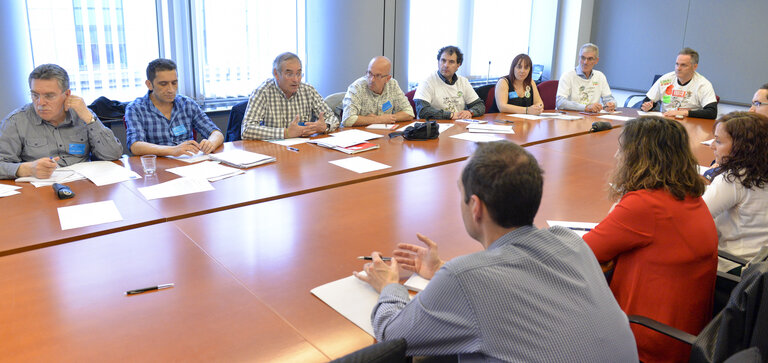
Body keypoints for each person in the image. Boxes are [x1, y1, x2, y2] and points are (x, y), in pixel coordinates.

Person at [355, 141, 638, 361]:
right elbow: (519, 285)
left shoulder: (464, 278)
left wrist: (390, 287)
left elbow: (393, 336)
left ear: (476, 207)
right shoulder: (571, 242)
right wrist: (440, 268)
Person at [582, 116, 718, 362]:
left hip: (647, 343)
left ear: (638, 156)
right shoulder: (687, 193)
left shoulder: (646, 205)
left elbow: (583, 252)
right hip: (685, 335)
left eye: (621, 150)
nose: (616, 157)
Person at [0, 64, 122, 179]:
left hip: (83, 186)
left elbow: (112, 154)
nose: (40, 102)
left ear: (67, 94)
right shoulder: (16, 122)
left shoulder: (83, 114)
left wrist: (89, 119)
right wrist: (26, 169)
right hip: (40, 191)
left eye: (49, 96)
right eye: (35, 95)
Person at [703, 112, 768, 273]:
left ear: (741, 147)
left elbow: (695, 219)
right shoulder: (759, 171)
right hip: (759, 267)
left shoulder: (733, 179)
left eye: (718, 141)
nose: (712, 146)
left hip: (733, 267)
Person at [125, 58, 224, 156]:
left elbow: (216, 133)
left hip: (189, 161)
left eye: (174, 83)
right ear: (149, 84)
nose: (171, 89)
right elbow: (135, 146)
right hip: (158, 165)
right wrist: (173, 150)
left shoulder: (187, 104)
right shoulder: (135, 108)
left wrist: (211, 143)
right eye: (163, 84)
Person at [241, 52, 339, 140]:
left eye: (299, 73)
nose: (296, 80)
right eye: (289, 74)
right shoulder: (262, 92)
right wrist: (286, 133)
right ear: (276, 73)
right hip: (274, 151)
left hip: (303, 150)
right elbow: (247, 129)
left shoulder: (308, 90)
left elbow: (332, 118)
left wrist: (325, 126)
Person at [641, 48, 718, 119]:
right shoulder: (665, 79)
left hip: (689, 121)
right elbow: (647, 101)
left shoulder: (703, 84)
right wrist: (647, 106)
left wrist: (683, 113)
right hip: (665, 121)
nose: (678, 68)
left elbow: (712, 112)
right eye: (677, 64)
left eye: (683, 65)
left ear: (695, 67)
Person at [413, 46, 485, 120]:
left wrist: (470, 112)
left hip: (458, 125)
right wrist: (450, 115)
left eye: (451, 62)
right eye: (443, 60)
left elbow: (480, 105)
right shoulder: (427, 82)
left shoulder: (463, 82)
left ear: (458, 65)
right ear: (438, 62)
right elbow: (423, 110)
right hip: (434, 127)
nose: (446, 65)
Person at [341, 56, 414, 127]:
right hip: (359, 136)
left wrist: (388, 118)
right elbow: (347, 119)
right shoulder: (357, 87)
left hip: (383, 135)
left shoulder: (392, 85)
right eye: (369, 73)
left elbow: (409, 113)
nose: (372, 80)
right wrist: (378, 119)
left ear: (387, 79)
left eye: (378, 75)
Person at [556, 43, 616, 112]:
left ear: (596, 60)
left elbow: (609, 99)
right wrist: (585, 107)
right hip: (571, 117)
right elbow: (560, 102)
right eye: (583, 58)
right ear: (579, 58)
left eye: (590, 59)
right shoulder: (568, 75)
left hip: (593, 117)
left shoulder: (600, 76)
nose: (585, 62)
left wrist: (611, 104)